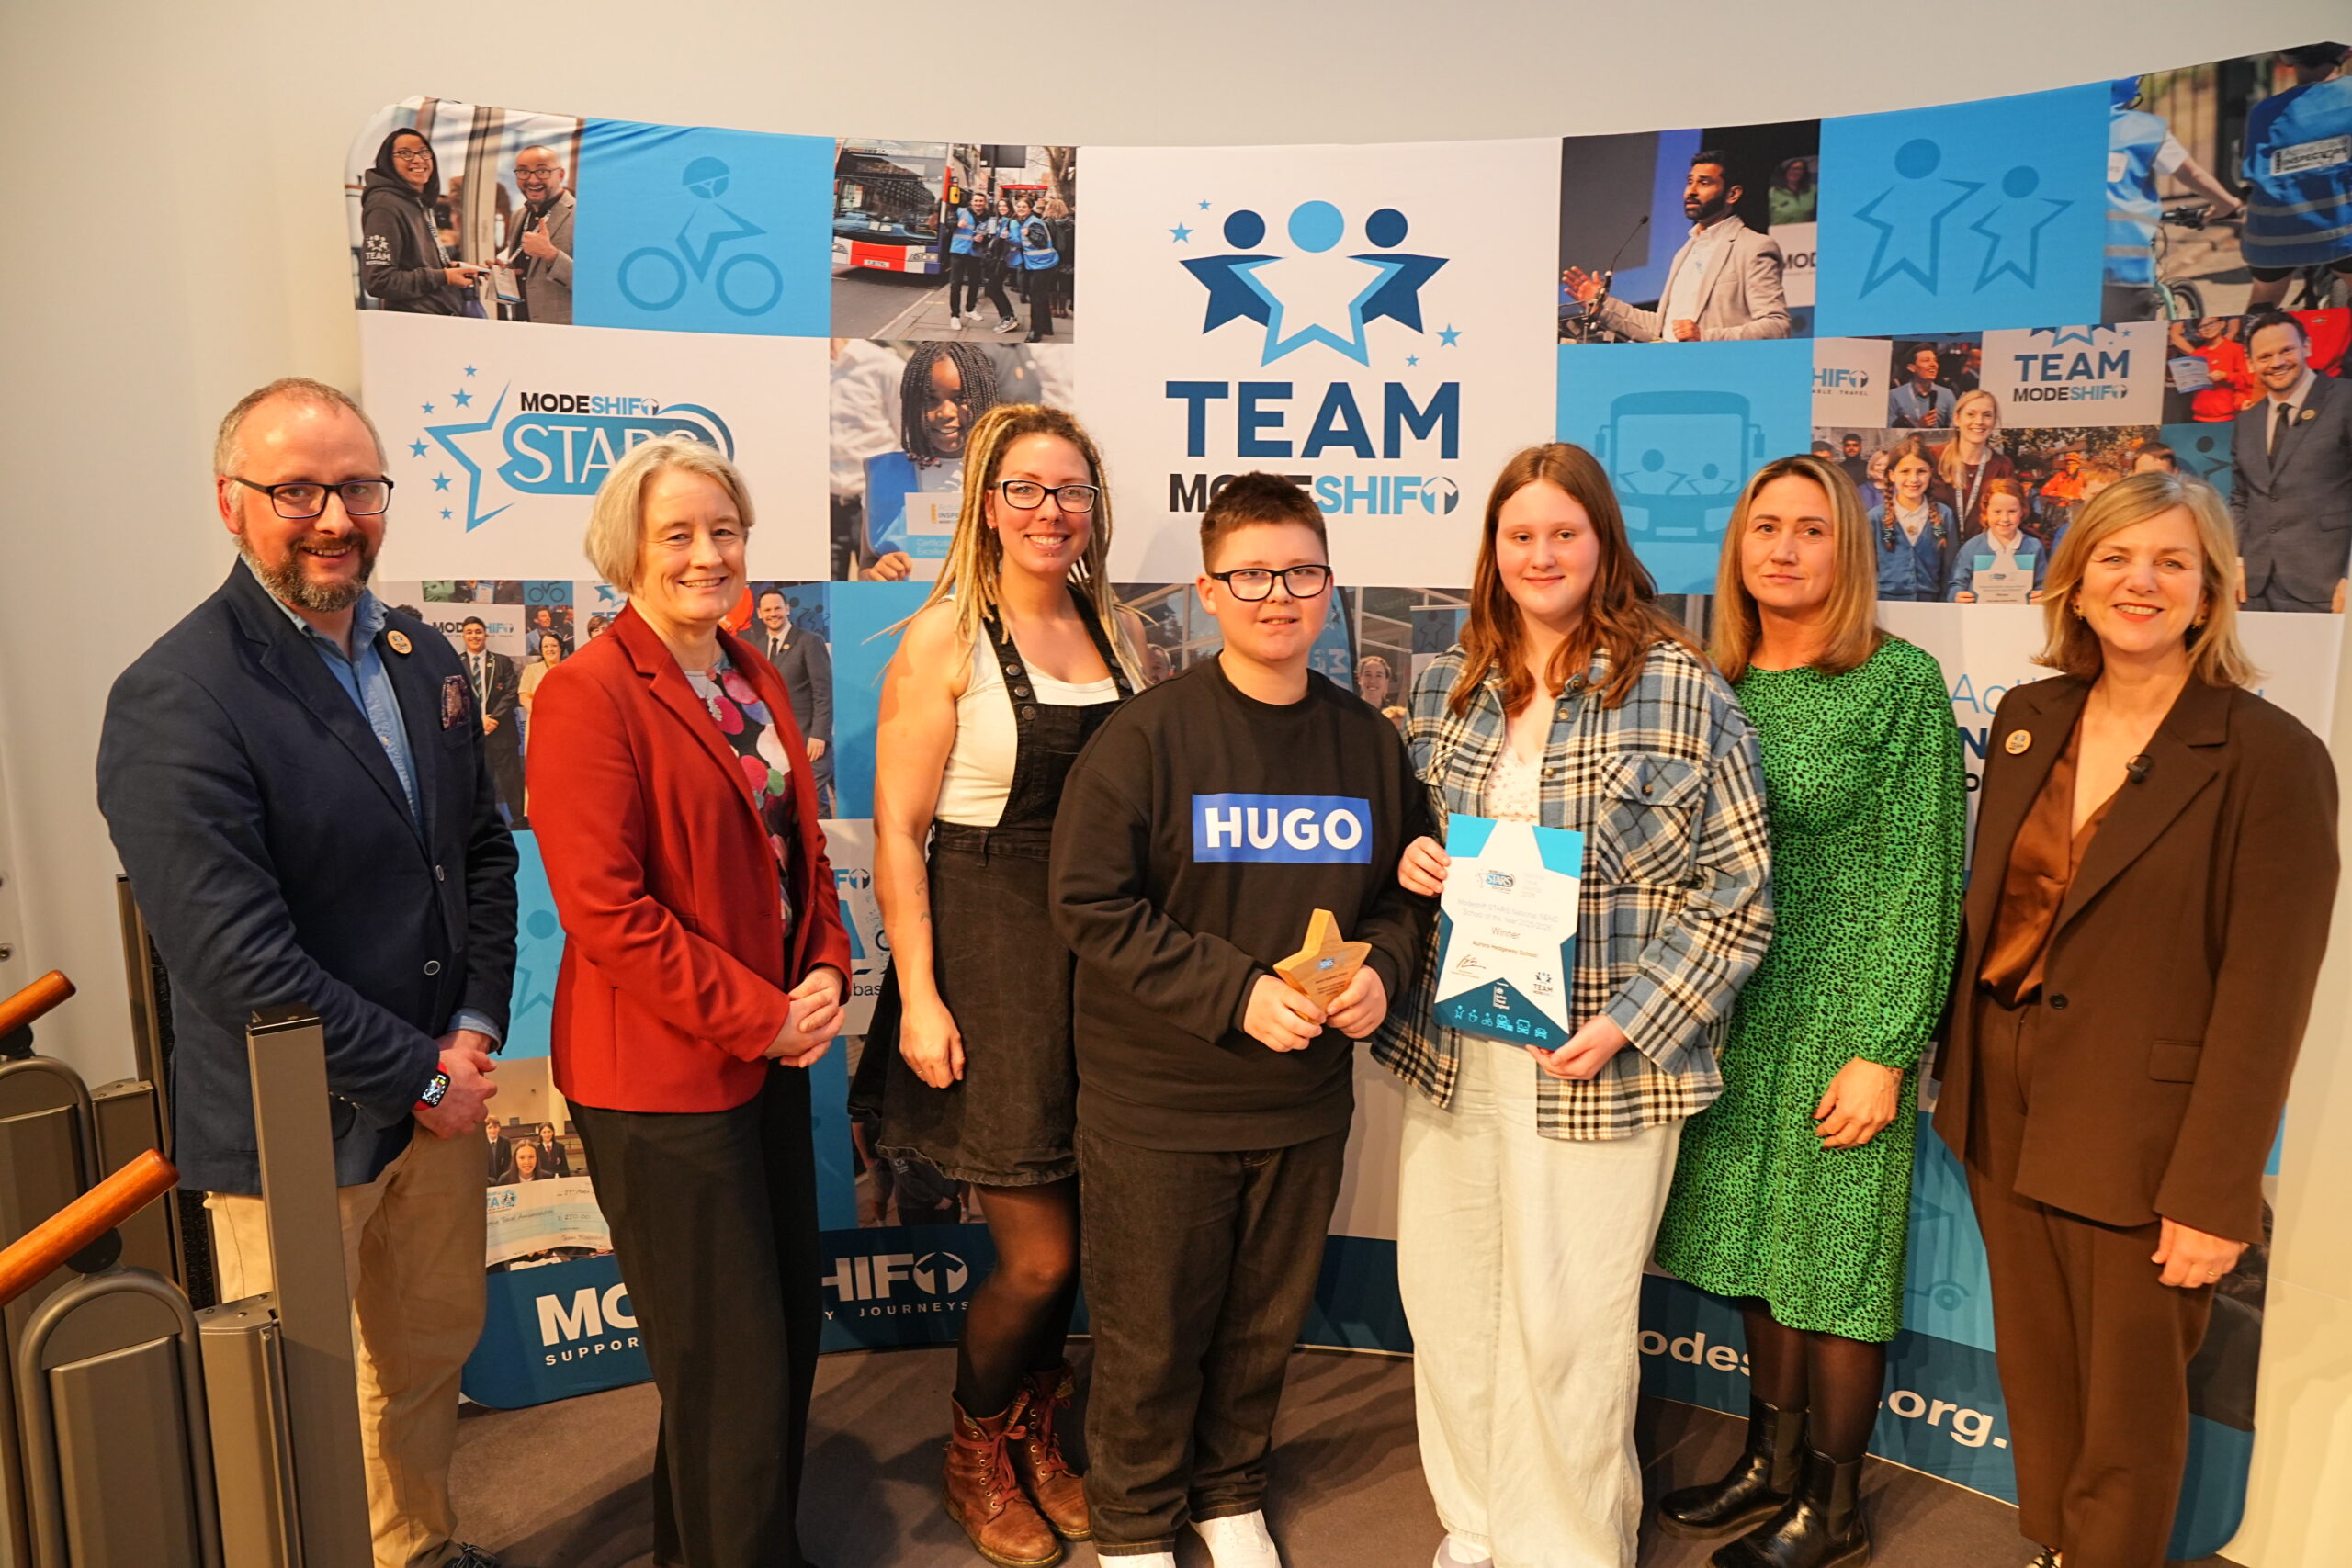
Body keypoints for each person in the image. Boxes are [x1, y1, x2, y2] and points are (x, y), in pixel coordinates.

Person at [97, 377, 517, 1568]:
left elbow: (480, 850)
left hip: (437, 1099)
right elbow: (238, 957)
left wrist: (476, 1026)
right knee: (307, 1402)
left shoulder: (417, 649)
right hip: (295, 1126)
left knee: (431, 1353)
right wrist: (424, 1076)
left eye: (358, 486)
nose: (335, 515)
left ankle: (419, 1545)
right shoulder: (177, 696)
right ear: (232, 504)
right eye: (298, 489)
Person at [1374, 441, 1772, 1568]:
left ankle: (1562, 1546)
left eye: (1563, 532)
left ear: (1603, 544)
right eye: (1518, 536)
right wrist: (1416, 863)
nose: (1540, 554)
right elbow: (1424, 842)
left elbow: (1736, 897)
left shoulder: (1681, 688)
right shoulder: (1449, 684)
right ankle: (1478, 1522)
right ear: (1491, 554)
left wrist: (1633, 1020)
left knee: (1569, 1324)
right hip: (1458, 1052)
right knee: (1448, 1303)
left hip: (1599, 1060)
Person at [1935, 471, 2338, 1568]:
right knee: (2040, 1374)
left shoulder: (2270, 758)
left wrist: (2212, 1195)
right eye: (2114, 557)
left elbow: (2267, 998)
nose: (2139, 581)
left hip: (2143, 1129)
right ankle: (2060, 1549)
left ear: (2211, 593)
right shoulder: (2029, 720)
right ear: (2075, 580)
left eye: (2170, 561)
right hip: (2001, 1100)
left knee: (2126, 1405)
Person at [1050, 473, 1436, 1568]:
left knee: (1265, 1325)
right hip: (1157, 1105)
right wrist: (1233, 993)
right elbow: (1087, 904)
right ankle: (1131, 1523)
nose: (1280, 595)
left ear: (1328, 587)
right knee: (1150, 1334)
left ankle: (1227, 1494)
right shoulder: (1146, 737)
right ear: (1210, 591)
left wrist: (1386, 974)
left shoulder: (1368, 742)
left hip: (1302, 1105)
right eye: (1253, 575)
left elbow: (1404, 893)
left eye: (1302, 573)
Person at [527, 436, 852, 1568]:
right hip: (659, 1081)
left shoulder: (752, 671)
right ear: (627, 550)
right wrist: (760, 1015)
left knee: (771, 1348)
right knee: (729, 1368)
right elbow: (609, 915)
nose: (708, 554)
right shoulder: (585, 693)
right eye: (679, 534)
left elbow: (796, 854)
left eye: (724, 530)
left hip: (761, 1055)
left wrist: (822, 968)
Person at [1652, 454, 1962, 1567]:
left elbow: (1924, 880)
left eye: (1811, 529)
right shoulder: (1706, 678)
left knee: (1832, 1263)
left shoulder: (1897, 683)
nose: (1783, 548)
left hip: (1844, 1008)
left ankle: (1832, 1511)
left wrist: (1887, 1050)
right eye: (1764, 527)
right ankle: (1765, 1468)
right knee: (1755, 1248)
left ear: (1849, 550)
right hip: (1730, 1006)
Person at [861, 402, 1142, 1568]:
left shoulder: (1118, 630)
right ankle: (977, 1447)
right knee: (1038, 1257)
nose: (1048, 511)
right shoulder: (941, 638)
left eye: (1069, 490)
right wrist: (920, 995)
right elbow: (896, 831)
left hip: (1103, 964)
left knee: (1092, 1238)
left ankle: (1036, 1434)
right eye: (1024, 489)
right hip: (989, 959)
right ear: (985, 502)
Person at [1564, 150, 1791, 341]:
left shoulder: (1754, 246)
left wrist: (1705, 337)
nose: (1691, 191)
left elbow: (1776, 326)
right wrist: (1602, 306)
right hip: (1673, 371)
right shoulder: (1685, 252)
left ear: (1732, 194)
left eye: (1704, 183)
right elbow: (1659, 330)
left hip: (1719, 375)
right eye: (1690, 181)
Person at [2231, 310, 2352, 612]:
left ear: (2307, 347)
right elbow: (2240, 499)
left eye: (2287, 350)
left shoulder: (2346, 399)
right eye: (2265, 356)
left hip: (2328, 584)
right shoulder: (2246, 422)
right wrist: (2235, 560)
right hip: (2255, 589)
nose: (2277, 363)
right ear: (2250, 363)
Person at [2104, 76, 2245, 322]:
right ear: (2135, 86)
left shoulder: (2060, 127)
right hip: (2123, 268)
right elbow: (2191, 174)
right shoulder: (2143, 129)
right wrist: (2227, 204)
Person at [862, 342, 1002, 581]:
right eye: (930, 399)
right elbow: (866, 563)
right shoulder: (885, 475)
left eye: (961, 398)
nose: (946, 412)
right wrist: (874, 574)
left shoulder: (1006, 472)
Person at [2242, 44, 2352, 309]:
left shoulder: (2263, 112)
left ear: (2285, 57)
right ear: (2346, 52)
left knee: (2264, 298)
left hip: (2272, 237)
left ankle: (2253, 333)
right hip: (2343, 231)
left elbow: (2252, 171)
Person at [360, 128, 481, 315]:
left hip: (437, 320)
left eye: (424, 152)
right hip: (415, 325)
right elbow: (379, 281)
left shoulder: (418, 202)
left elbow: (414, 263)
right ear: (388, 161)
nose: (418, 159)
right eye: (405, 153)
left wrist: (453, 269)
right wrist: (444, 277)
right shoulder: (385, 205)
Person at [752, 587, 836, 817]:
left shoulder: (810, 641)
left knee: (813, 805)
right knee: (787, 808)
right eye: (767, 609)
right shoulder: (757, 648)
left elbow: (823, 692)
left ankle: (824, 851)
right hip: (776, 744)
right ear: (759, 613)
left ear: (787, 609)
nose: (773, 613)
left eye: (778, 608)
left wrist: (819, 735)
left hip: (810, 741)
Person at [1869, 439, 1958, 600]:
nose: (1914, 479)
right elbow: (1865, 570)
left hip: (1931, 608)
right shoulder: (1875, 518)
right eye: (1905, 471)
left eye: (1921, 472)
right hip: (1885, 607)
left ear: (1931, 473)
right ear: (1892, 475)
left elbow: (1950, 569)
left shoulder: (1944, 515)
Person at [458, 615, 526, 826]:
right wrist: (478, 720)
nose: (474, 636)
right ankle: (487, 827)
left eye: (478, 631)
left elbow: (512, 693)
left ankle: (521, 823)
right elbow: (455, 698)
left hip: (503, 734)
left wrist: (493, 718)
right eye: (469, 632)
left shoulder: (502, 661)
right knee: (481, 785)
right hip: (475, 736)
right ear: (463, 636)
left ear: (485, 634)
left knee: (512, 783)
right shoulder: (455, 663)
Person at [501, 144, 575, 325]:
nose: (532, 180)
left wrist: (551, 254)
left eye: (542, 171)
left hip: (561, 331)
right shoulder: (519, 216)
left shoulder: (583, 216)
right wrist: (504, 271)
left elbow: (596, 283)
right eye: (523, 172)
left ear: (561, 175)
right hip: (521, 324)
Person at [1949, 480, 2049, 603]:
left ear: (2022, 511)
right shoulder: (1972, 547)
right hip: (1980, 617)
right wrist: (1957, 596)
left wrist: (2042, 596)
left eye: (2012, 511)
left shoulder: (2033, 547)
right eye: (1997, 511)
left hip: (2020, 617)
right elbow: (1956, 583)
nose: (2004, 518)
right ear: (1986, 511)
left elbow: (2043, 584)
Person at [1936, 389, 2013, 534]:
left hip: (1981, 552)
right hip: (1936, 550)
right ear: (1957, 419)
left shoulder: (2003, 466)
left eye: (1987, 415)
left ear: (1994, 421)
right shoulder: (1933, 458)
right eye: (1971, 414)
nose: (1979, 422)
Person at [947, 190, 1019, 334]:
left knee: (975, 283)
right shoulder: (961, 211)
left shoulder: (989, 217)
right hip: (958, 251)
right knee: (956, 284)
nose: (978, 203)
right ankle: (955, 316)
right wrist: (956, 224)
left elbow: (991, 236)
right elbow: (947, 224)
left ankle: (970, 309)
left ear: (984, 203)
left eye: (981, 201)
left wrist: (983, 239)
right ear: (971, 202)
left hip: (976, 253)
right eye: (976, 201)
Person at [2169, 318, 2258, 423]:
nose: (2208, 328)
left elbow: (2245, 379)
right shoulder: (2197, 354)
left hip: (2228, 414)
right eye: (2202, 327)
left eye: (2212, 323)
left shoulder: (2236, 349)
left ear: (2222, 324)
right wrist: (2182, 379)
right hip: (2199, 414)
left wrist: (2225, 375)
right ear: (2198, 333)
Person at [1011, 195, 1060, 343]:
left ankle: (1035, 332)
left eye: (1024, 207)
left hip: (1042, 265)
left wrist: (1029, 234)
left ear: (1030, 208)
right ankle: (1046, 327)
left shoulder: (1033, 223)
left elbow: (1042, 242)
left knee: (1036, 298)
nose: (1020, 209)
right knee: (1042, 296)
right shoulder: (1026, 221)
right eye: (1018, 206)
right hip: (1038, 264)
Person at [1887, 344, 1955, 429]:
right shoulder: (1895, 395)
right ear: (1911, 368)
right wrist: (1918, 426)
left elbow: (1954, 428)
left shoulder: (1947, 394)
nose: (1933, 364)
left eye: (1935, 360)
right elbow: (1889, 433)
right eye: (1926, 360)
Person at [1768, 156, 1816, 227]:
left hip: (1807, 231)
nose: (1796, 172)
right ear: (1785, 171)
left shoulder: (1813, 190)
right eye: (1793, 168)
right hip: (1780, 232)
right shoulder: (1773, 192)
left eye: (1800, 169)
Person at [484, 1116, 512, 1183]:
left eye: (495, 1127)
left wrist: (503, 1178)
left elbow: (508, 1162)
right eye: (489, 1127)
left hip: (503, 1179)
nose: (493, 1130)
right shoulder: (480, 1143)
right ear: (485, 1129)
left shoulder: (505, 1142)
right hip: (487, 1180)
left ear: (499, 1128)